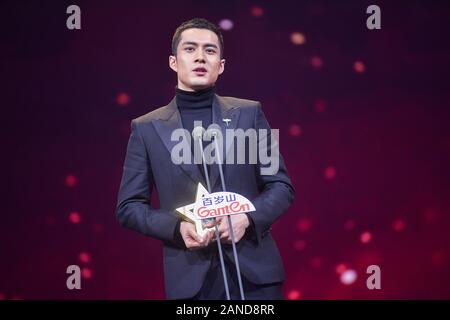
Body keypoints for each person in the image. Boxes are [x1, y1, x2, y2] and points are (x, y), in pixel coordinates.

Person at [116, 18, 294, 300]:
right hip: (191, 283)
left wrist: (246, 218)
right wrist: (177, 228)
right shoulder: (146, 128)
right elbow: (129, 207)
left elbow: (281, 186)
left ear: (221, 65)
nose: (200, 56)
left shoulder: (250, 114)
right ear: (173, 62)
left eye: (210, 51)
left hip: (257, 279)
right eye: (190, 49)